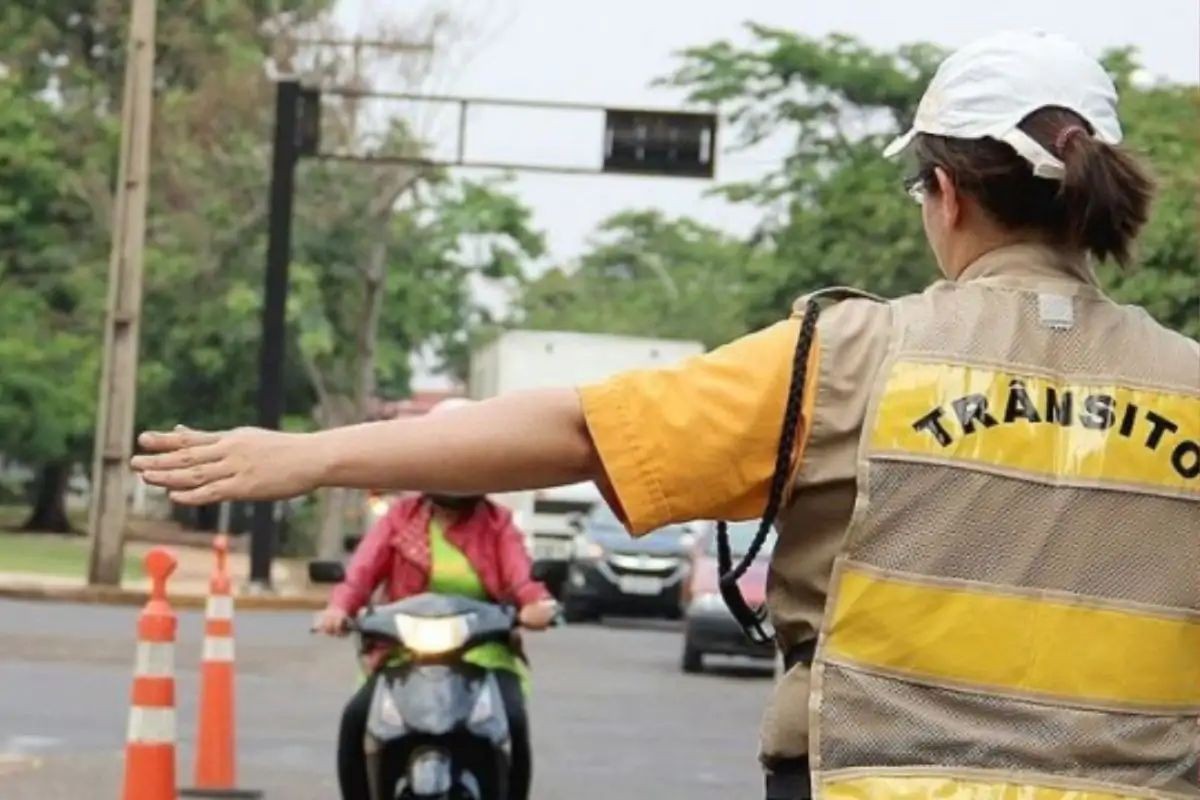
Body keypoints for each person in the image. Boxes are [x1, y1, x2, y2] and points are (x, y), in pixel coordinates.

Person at [134, 30, 1199, 800]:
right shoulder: (1188, 384)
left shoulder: (855, 357)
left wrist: (311, 454)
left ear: (946, 193)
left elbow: (577, 429)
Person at [315, 400, 556, 800]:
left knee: (512, 720)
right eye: (446, 456)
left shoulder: (498, 525)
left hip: (483, 654)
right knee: (355, 719)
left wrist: (538, 605)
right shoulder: (399, 519)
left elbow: (523, 578)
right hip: (402, 654)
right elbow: (360, 573)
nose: (455, 469)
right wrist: (338, 608)